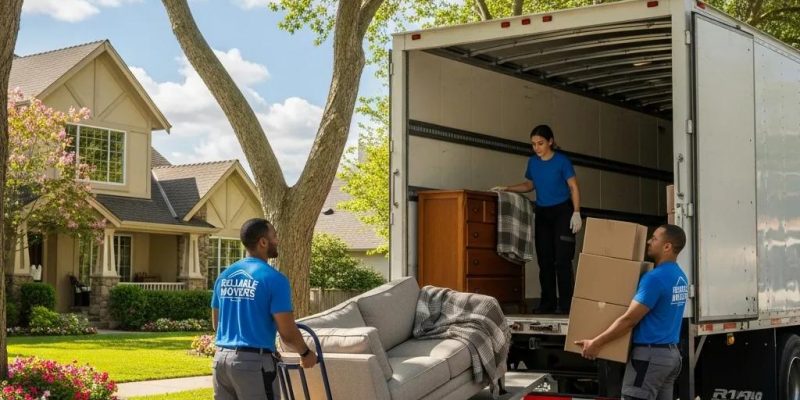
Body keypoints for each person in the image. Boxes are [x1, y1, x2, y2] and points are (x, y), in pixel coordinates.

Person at [574, 224, 688, 400]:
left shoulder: (655, 278)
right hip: (670, 356)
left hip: (650, 358)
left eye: (654, 239)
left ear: (667, 246)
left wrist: (596, 343)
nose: (649, 241)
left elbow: (629, 320)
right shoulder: (680, 276)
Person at [211, 218, 317, 400]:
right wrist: (305, 353)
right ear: (263, 242)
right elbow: (287, 333)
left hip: (220, 362)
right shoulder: (274, 279)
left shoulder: (224, 276)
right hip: (253, 366)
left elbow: (217, 324)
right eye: (274, 236)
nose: (277, 241)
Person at [492, 124, 582, 314]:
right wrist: (507, 188)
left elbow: (573, 187)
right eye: (533, 144)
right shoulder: (533, 162)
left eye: (540, 143)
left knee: (562, 260)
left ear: (550, 142)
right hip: (543, 213)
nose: (536, 148)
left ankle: (566, 305)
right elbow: (529, 185)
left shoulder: (562, 161)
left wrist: (576, 212)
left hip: (562, 211)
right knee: (545, 260)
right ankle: (548, 303)